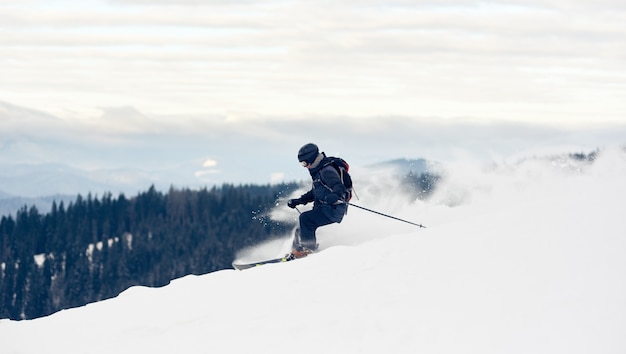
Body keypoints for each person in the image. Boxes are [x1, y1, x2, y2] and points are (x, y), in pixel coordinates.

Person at [287, 143, 349, 258]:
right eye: (301, 164)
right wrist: (299, 201)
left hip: (333, 209)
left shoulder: (327, 171)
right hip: (324, 208)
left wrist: (334, 195)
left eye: (304, 163)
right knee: (300, 229)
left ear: (310, 159)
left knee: (305, 219)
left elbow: (339, 187)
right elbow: (315, 192)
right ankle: (296, 252)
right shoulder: (318, 171)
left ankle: (307, 250)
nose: (304, 167)